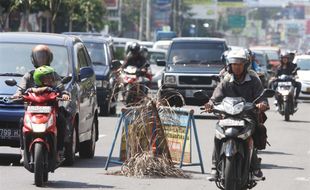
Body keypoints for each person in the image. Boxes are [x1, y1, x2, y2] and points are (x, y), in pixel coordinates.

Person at [204, 49, 269, 181]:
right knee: (218, 135)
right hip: (228, 116)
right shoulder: (226, 80)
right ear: (230, 66)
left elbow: (262, 97)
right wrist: (210, 104)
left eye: (240, 64)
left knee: (254, 132)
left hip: (247, 116)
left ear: (245, 65)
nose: (237, 67)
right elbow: (216, 95)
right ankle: (214, 166)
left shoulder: (254, 80)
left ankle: (255, 166)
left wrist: (262, 104)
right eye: (234, 64)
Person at [13, 44, 70, 163]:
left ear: (49, 58)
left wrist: (64, 94)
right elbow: (20, 89)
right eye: (39, 57)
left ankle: (59, 151)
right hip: (32, 109)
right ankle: (23, 150)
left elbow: (61, 87)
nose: (41, 60)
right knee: (21, 122)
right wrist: (17, 94)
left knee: (62, 122)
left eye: (44, 57)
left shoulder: (52, 74)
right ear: (33, 59)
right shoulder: (29, 75)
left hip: (50, 109)